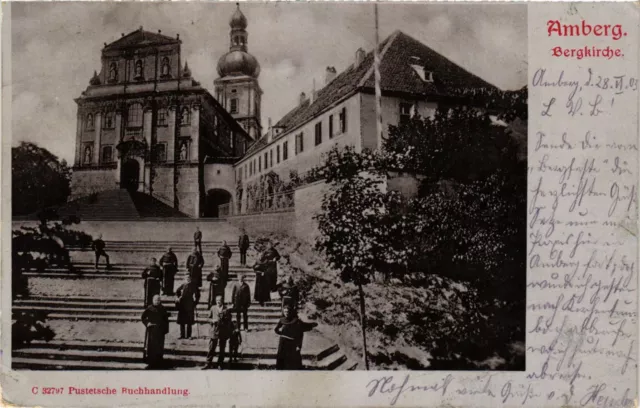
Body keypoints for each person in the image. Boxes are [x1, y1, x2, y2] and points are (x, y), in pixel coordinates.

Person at [203, 296, 233, 370]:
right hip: (214, 330)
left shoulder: (226, 309)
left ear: (222, 301)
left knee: (222, 349)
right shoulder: (213, 308)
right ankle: (208, 363)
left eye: (219, 300)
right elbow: (208, 318)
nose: (218, 302)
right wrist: (212, 320)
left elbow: (229, 320)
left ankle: (220, 364)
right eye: (217, 300)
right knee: (211, 348)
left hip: (223, 331)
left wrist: (224, 319)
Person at [141, 295, 169, 369]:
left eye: (158, 300)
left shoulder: (163, 309)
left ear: (160, 301)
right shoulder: (149, 308)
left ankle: (159, 363)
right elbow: (143, 317)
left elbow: (166, 320)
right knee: (151, 347)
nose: (157, 301)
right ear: (153, 300)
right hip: (152, 331)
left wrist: (165, 330)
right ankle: (151, 363)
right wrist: (147, 323)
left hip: (160, 331)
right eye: (155, 300)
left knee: (159, 347)